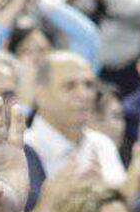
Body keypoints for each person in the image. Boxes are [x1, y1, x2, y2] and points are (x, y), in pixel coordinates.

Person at [26, 50, 128, 187]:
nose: (84, 94)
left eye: (89, 85)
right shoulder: (22, 150)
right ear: (41, 94)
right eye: (70, 86)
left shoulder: (103, 144)